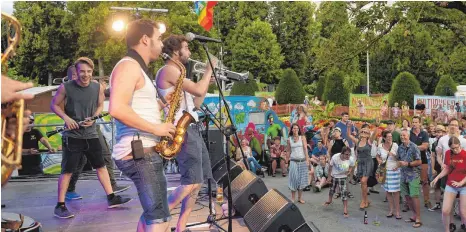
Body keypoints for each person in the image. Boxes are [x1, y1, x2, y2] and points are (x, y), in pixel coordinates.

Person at [109, 19, 176, 232]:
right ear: (145, 39)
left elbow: (134, 107)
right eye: (158, 38)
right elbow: (117, 108)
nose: (161, 44)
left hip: (143, 150)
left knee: (153, 216)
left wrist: (162, 103)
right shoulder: (129, 66)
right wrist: (157, 129)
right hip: (139, 152)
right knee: (160, 220)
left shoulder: (135, 67)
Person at [51, 57, 132, 219]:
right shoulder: (65, 87)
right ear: (77, 72)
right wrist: (66, 118)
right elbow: (53, 104)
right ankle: (60, 205)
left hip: (91, 133)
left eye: (88, 71)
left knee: (101, 166)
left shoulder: (98, 87)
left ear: (92, 72)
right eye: (82, 71)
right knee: (67, 171)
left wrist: (95, 116)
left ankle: (111, 197)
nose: (85, 75)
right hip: (72, 136)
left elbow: (100, 105)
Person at [155, 34, 215, 232]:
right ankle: (159, 217)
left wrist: (206, 83)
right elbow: (198, 90)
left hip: (191, 127)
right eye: (186, 48)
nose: (189, 52)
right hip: (182, 130)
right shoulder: (169, 70)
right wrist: (207, 72)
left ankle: (180, 226)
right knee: (189, 183)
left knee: (196, 184)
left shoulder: (180, 72)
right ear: (175, 51)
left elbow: (196, 102)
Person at [65, 66, 130, 200]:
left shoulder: (93, 87)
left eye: (87, 72)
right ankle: (69, 189)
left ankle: (112, 186)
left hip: (93, 128)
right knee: (79, 161)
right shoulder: (67, 90)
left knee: (105, 155)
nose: (83, 76)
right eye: (79, 73)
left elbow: (101, 102)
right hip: (76, 131)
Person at [431, 136, 466, 232]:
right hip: (451, 184)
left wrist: (461, 183)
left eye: (457, 147)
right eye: (453, 148)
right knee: (445, 211)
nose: (455, 150)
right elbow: (447, 168)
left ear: (460, 145)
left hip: (464, 186)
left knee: (463, 213)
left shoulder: (465, 154)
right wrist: (437, 178)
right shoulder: (448, 153)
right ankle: (447, 230)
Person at [397, 129, 423, 228]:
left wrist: (408, 164)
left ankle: (418, 218)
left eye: (404, 135)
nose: (402, 137)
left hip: (413, 175)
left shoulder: (414, 147)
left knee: (414, 196)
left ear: (408, 136)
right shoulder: (400, 148)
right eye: (401, 136)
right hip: (403, 175)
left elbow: (419, 161)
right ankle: (414, 215)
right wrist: (397, 164)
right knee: (407, 197)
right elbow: (399, 159)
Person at [346, 121, 374, 210]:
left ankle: (364, 200)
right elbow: (349, 135)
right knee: (363, 183)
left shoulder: (369, 141)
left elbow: (376, 132)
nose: (363, 133)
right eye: (362, 131)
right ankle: (366, 200)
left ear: (368, 134)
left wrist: (376, 124)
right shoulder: (357, 141)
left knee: (363, 181)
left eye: (366, 132)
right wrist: (349, 127)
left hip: (368, 162)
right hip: (360, 163)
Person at [323, 146, 355, 218]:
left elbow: (352, 165)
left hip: (343, 177)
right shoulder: (335, 157)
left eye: (349, 154)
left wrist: (349, 171)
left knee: (344, 193)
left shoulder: (351, 159)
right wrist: (329, 177)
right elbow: (330, 167)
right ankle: (329, 200)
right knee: (332, 190)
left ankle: (345, 209)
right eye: (346, 154)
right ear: (342, 153)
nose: (348, 156)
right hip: (334, 175)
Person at [377, 130, 401, 219]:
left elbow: (400, 157)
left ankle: (397, 211)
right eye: (388, 137)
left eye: (391, 137)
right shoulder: (380, 146)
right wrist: (379, 160)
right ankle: (391, 210)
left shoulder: (395, 146)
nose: (390, 138)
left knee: (396, 192)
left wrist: (393, 155)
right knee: (388, 191)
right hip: (385, 171)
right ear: (384, 138)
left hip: (394, 171)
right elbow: (378, 155)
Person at [409, 116, 431, 208]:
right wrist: (419, 147)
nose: (414, 124)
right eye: (413, 122)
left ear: (420, 123)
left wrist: (413, 147)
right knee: (411, 181)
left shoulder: (424, 133)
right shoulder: (409, 133)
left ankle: (427, 201)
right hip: (411, 160)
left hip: (423, 160)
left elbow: (425, 146)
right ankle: (410, 202)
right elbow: (406, 145)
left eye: (416, 122)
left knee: (424, 181)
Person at [287, 123, 310, 204]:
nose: (295, 130)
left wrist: (307, 160)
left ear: (299, 129)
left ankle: (300, 198)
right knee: (293, 179)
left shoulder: (302, 137)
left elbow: (305, 149)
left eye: (297, 128)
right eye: (294, 128)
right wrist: (287, 161)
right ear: (292, 130)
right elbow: (288, 150)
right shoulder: (289, 139)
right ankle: (293, 198)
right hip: (293, 161)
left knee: (301, 180)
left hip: (302, 161)